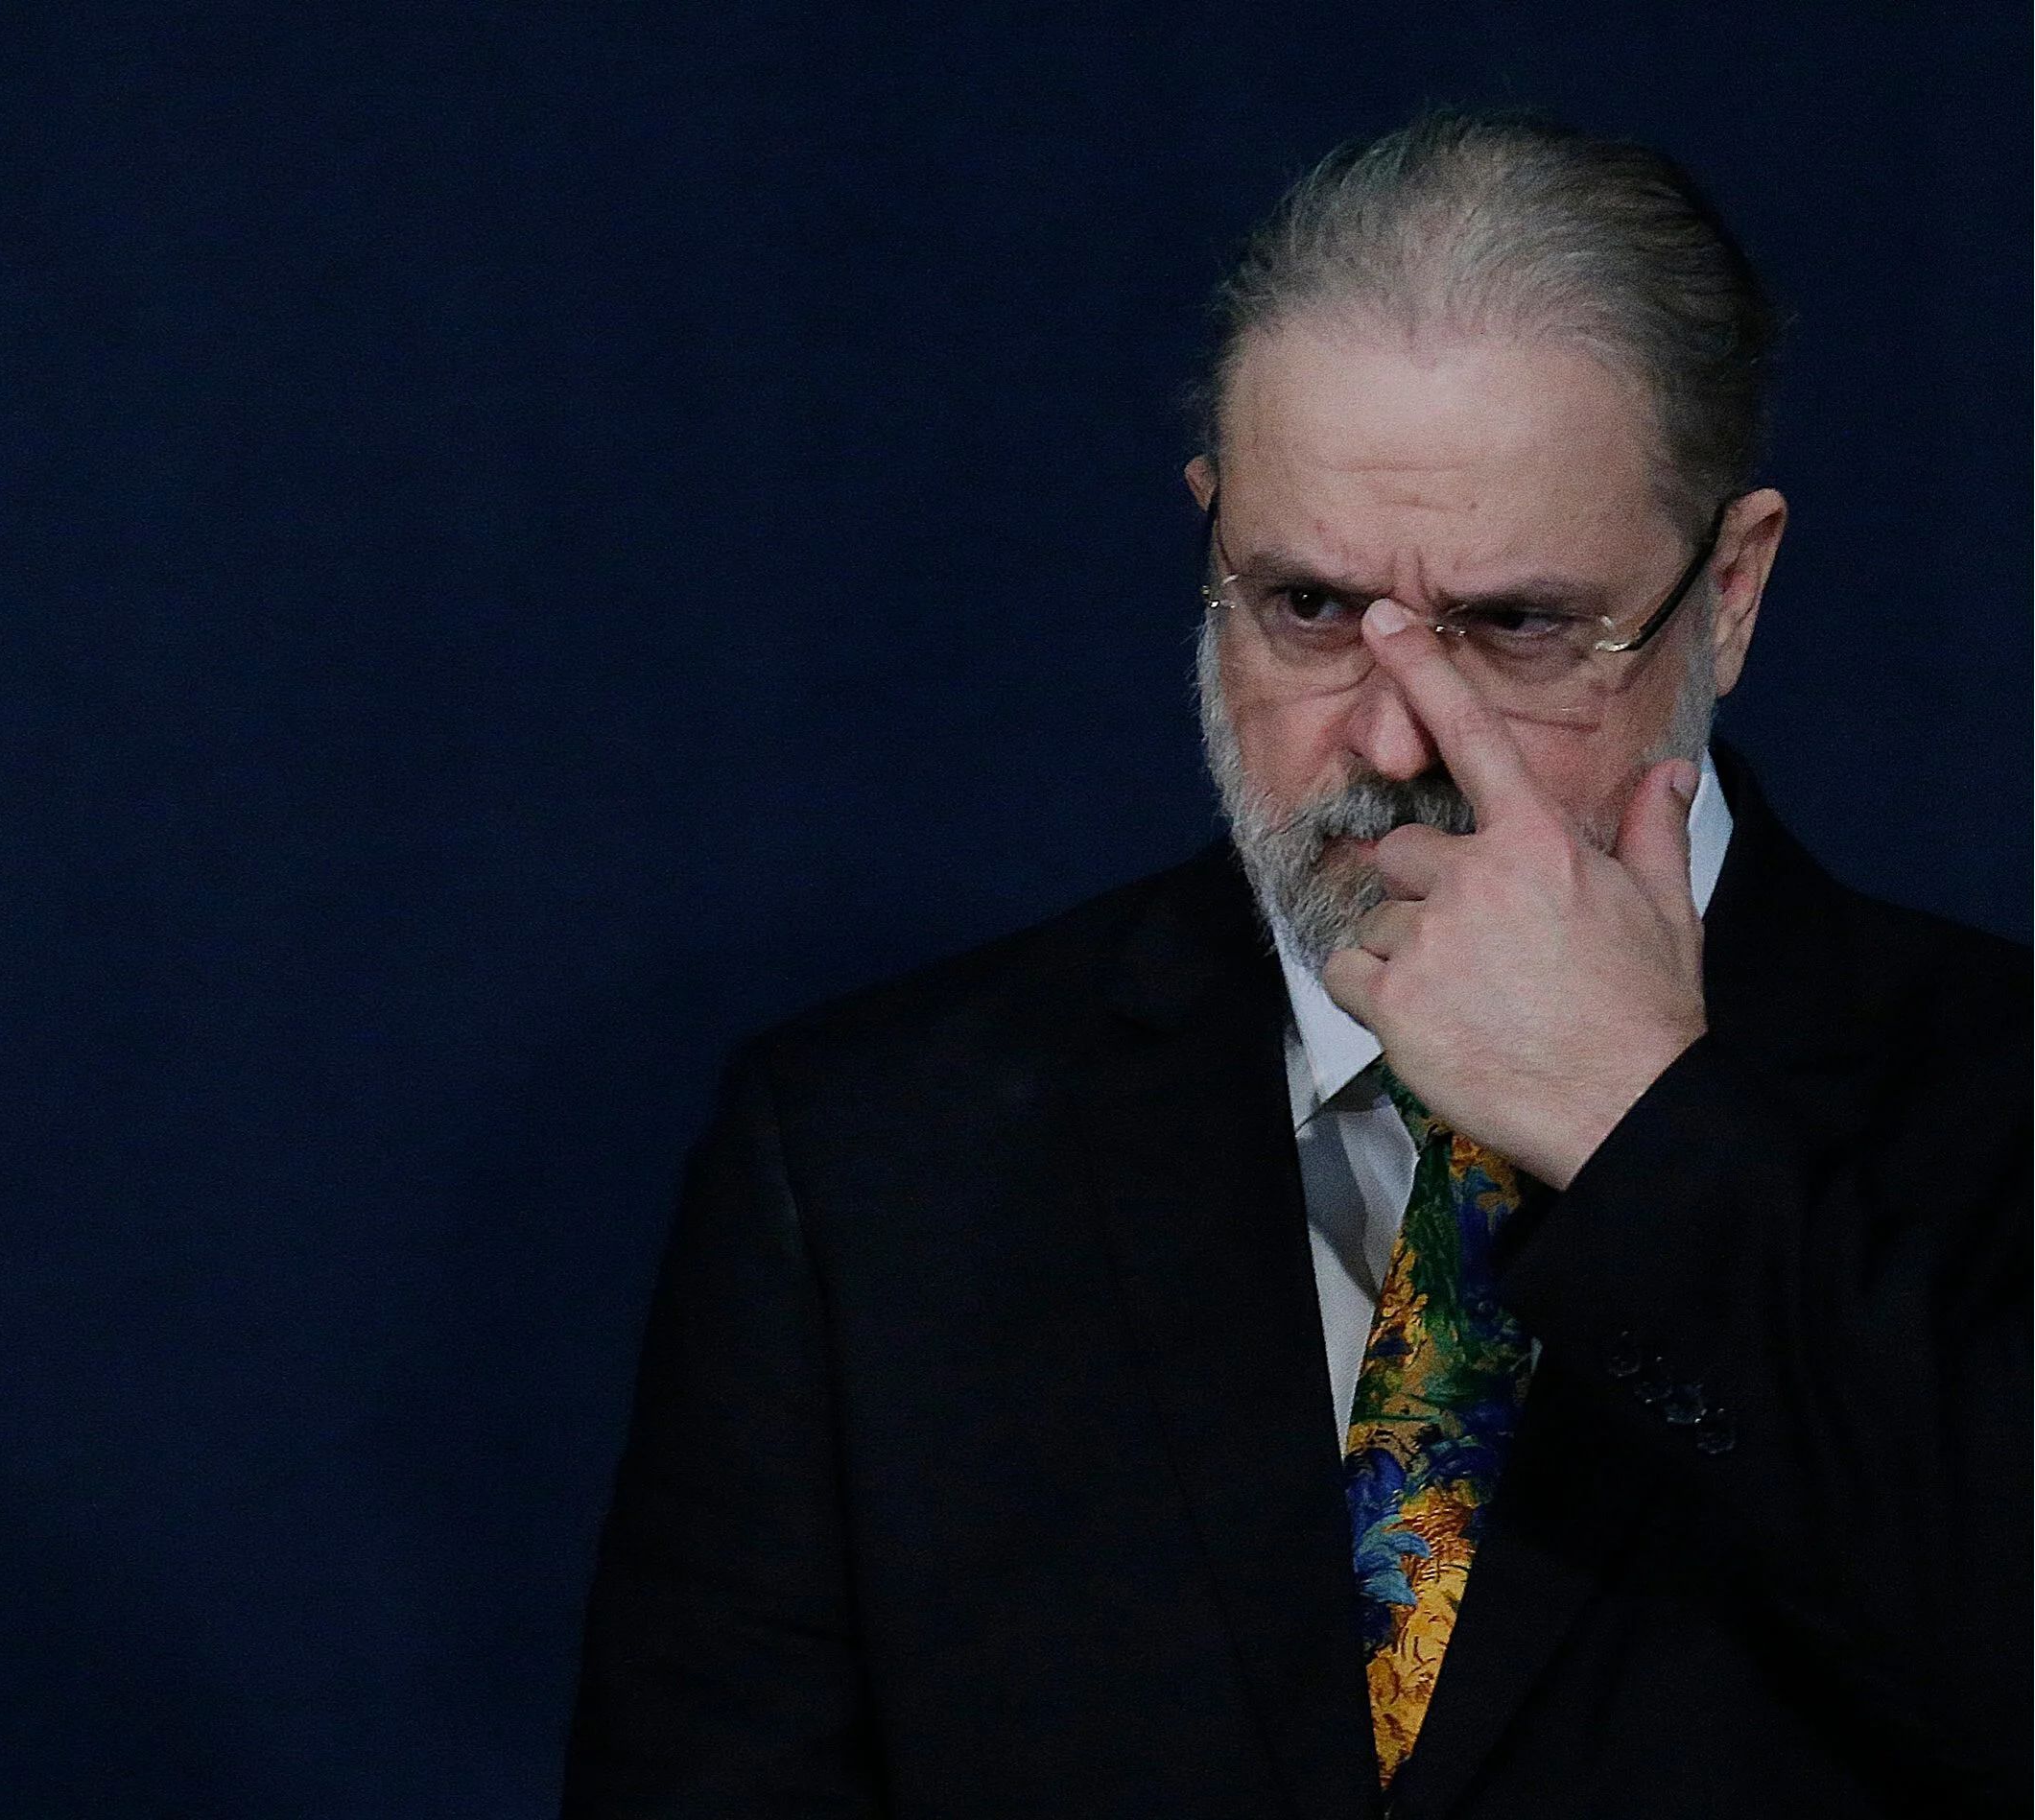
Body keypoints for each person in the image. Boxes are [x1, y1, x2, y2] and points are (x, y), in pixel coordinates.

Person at [562, 111, 2030, 1819]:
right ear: (1213, 541)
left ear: (1732, 592)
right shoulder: (872, 1160)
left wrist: (1645, 1133)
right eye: (1312, 610)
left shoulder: (1997, 1104)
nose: (1397, 738)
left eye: (1517, 626)